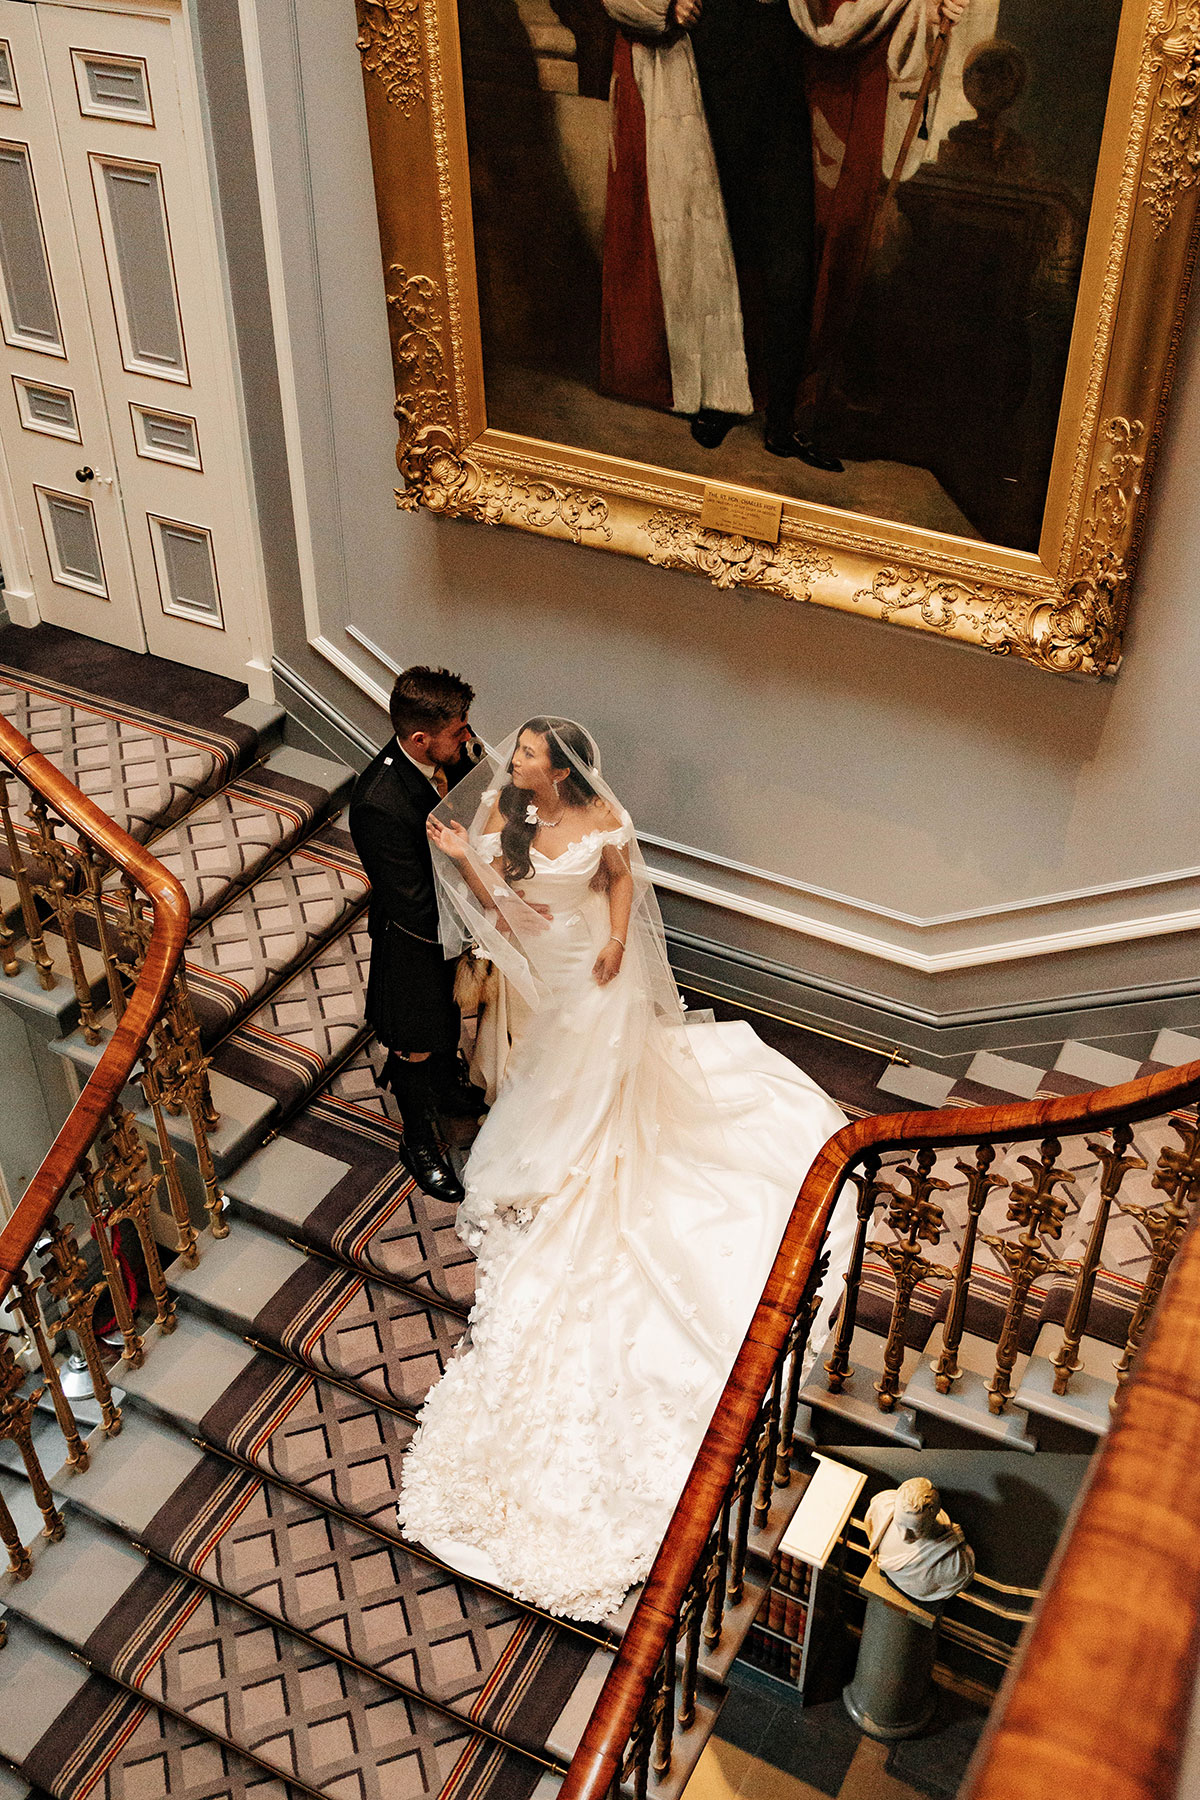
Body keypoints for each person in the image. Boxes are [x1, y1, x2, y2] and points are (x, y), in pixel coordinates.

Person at [395, 717, 858, 1620]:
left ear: (562, 768)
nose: (513, 763)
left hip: (594, 970)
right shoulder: (503, 816)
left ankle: (600, 1156)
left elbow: (618, 882)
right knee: (556, 1069)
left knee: (601, 1077)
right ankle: (562, 1155)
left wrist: (614, 940)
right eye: (518, 754)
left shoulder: (603, 815)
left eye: (528, 755)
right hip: (550, 964)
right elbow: (508, 915)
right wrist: (471, 856)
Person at [598, 0, 969, 465]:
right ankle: (718, 398)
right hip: (703, 68)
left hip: (779, 72)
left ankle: (783, 421)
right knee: (724, 245)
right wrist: (667, 5)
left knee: (790, 252)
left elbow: (840, 17)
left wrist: (928, 8)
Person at [348, 667, 485, 1205]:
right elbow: (413, 902)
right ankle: (418, 1141)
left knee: (448, 1019)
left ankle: (448, 1091)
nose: (468, 738)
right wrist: (487, 913)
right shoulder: (379, 802)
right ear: (420, 740)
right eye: (458, 731)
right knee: (415, 1042)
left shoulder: (452, 756)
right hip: (413, 938)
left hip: (452, 920)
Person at [866, 1477, 975, 1605]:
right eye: (899, 1524)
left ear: (933, 1517)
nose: (904, 1537)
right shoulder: (882, 1506)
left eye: (915, 1530)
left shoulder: (955, 1565)